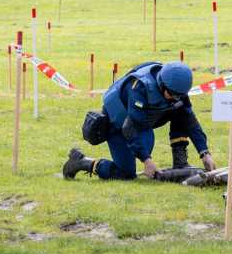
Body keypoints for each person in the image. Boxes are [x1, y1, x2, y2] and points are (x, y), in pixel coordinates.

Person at [63, 61, 216, 180]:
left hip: (142, 124)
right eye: (172, 95)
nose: (176, 98)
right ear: (162, 84)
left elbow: (190, 120)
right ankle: (82, 162)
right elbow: (129, 128)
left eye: (179, 95)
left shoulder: (175, 89)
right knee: (126, 174)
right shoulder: (139, 88)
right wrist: (146, 160)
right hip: (119, 127)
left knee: (180, 111)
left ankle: (180, 161)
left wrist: (204, 153)